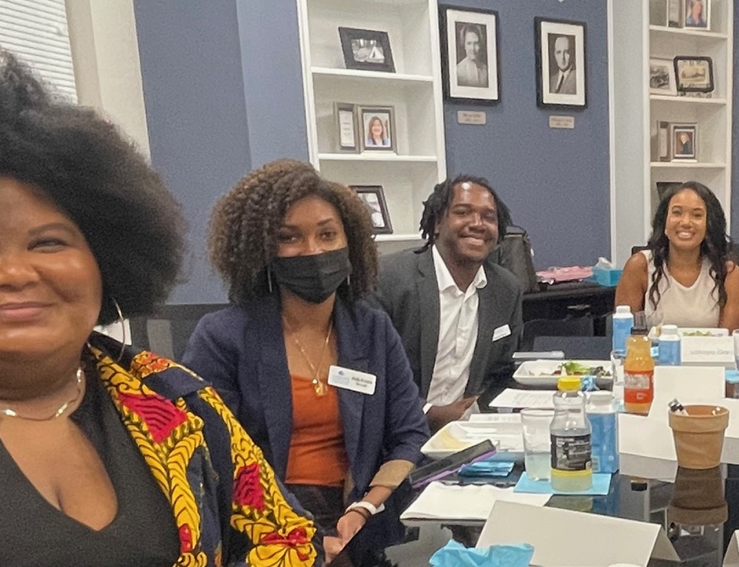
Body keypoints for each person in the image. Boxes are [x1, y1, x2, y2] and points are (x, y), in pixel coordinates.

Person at [0, 52, 316, 566]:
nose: (15, 272)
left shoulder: (174, 397)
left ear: (104, 257)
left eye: (49, 242)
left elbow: (286, 539)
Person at [182, 160, 430, 560]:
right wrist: (303, 534)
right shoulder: (222, 337)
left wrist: (366, 507)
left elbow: (410, 433)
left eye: (327, 234)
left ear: (350, 242)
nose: (313, 250)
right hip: (263, 533)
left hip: (358, 526)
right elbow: (213, 458)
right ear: (262, 250)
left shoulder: (373, 329)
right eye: (290, 238)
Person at [371, 176, 522, 432]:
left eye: (488, 217)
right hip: (394, 433)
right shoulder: (388, 279)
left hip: (468, 433)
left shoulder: (506, 289)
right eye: (463, 212)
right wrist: (429, 413)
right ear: (438, 223)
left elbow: (502, 371)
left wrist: (482, 412)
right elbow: (368, 373)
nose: (477, 224)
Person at [615, 181, 739, 330]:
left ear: (709, 224)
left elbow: (728, 340)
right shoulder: (640, 266)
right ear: (664, 222)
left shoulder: (728, 273)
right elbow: (625, 335)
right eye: (677, 213)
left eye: (697, 215)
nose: (685, 222)